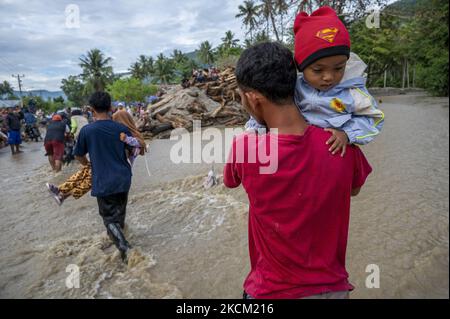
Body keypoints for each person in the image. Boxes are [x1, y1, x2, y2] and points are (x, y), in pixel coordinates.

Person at [223, 42, 373, 299]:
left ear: (252, 97)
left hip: (271, 290)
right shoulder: (343, 144)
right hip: (332, 291)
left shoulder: (245, 149)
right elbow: (354, 189)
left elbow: (231, 182)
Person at [246, 6, 384, 157]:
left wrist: (347, 134)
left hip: (332, 156)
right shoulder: (293, 87)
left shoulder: (353, 92)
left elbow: (374, 118)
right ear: (301, 66)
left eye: (338, 68)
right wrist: (254, 131)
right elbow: (268, 108)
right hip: (296, 153)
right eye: (318, 70)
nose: (329, 77)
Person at [72, 92, 134, 261]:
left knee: (108, 219)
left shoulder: (87, 131)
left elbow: (78, 155)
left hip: (103, 180)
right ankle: (121, 244)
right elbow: (131, 151)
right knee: (119, 214)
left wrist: (88, 165)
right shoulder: (121, 128)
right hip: (123, 178)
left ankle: (122, 246)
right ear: (110, 108)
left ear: (91, 110)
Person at [46, 110, 146, 206]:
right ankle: (62, 192)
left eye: (115, 120)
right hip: (113, 170)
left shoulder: (128, 136)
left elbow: (133, 149)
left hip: (118, 171)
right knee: (87, 172)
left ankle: (63, 194)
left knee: (90, 177)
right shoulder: (120, 133)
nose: (113, 123)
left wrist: (126, 140)